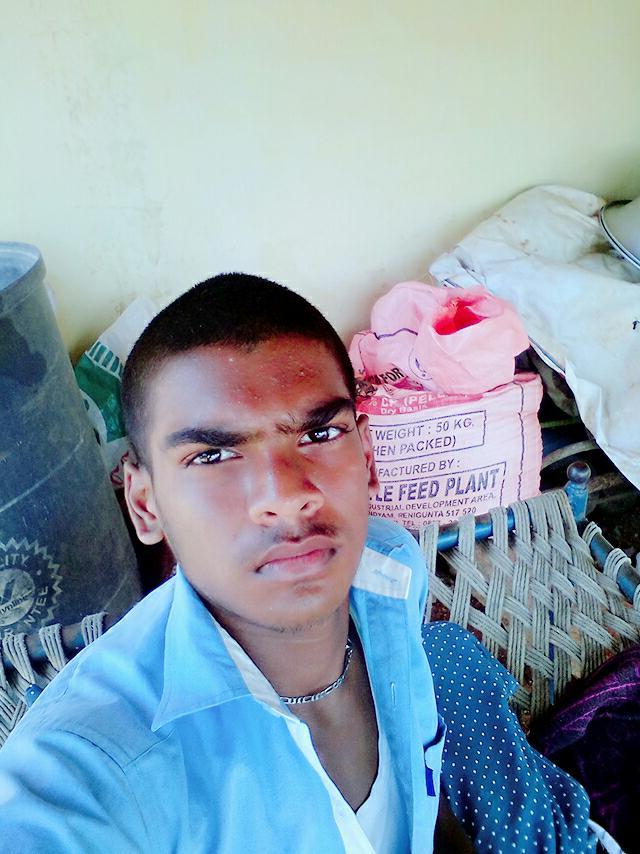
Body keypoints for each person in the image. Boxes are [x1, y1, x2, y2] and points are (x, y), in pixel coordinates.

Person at [0, 274, 598, 852]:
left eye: (318, 435)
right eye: (212, 456)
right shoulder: (94, 767)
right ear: (145, 504)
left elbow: (420, 792)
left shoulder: (390, 573)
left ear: (367, 458)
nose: (286, 495)